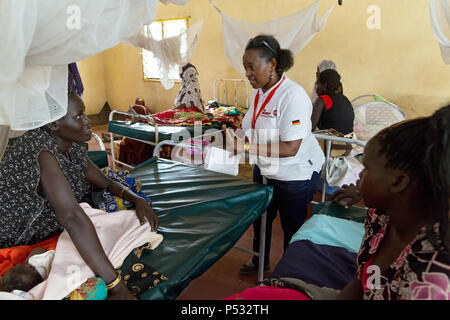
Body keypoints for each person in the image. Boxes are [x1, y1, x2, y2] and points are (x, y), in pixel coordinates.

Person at [0, 91, 159, 300]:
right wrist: (117, 286)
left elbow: (105, 181)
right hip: (16, 232)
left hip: (53, 223)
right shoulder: (40, 150)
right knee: (94, 241)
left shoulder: (71, 147)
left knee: (125, 222)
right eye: (79, 116)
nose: (87, 121)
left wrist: (137, 200)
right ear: (54, 125)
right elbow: (72, 217)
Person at [223, 34, 325, 274]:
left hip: (295, 173)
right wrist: (237, 136)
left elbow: (291, 148)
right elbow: (253, 126)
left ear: (272, 65)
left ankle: (290, 273)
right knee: (260, 218)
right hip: (266, 167)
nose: (247, 73)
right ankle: (260, 260)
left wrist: (246, 148)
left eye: (252, 67)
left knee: (292, 227)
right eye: (245, 67)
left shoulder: (293, 96)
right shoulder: (260, 91)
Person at [331, 105, 450, 299]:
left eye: (366, 168)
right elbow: (366, 284)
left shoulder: (431, 279)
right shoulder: (381, 217)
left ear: (399, 181)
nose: (359, 175)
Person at [311, 69, 354, 135]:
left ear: (324, 85)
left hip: (330, 142)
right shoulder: (345, 99)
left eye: (317, 84)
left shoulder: (323, 100)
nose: (316, 88)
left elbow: (310, 127)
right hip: (348, 142)